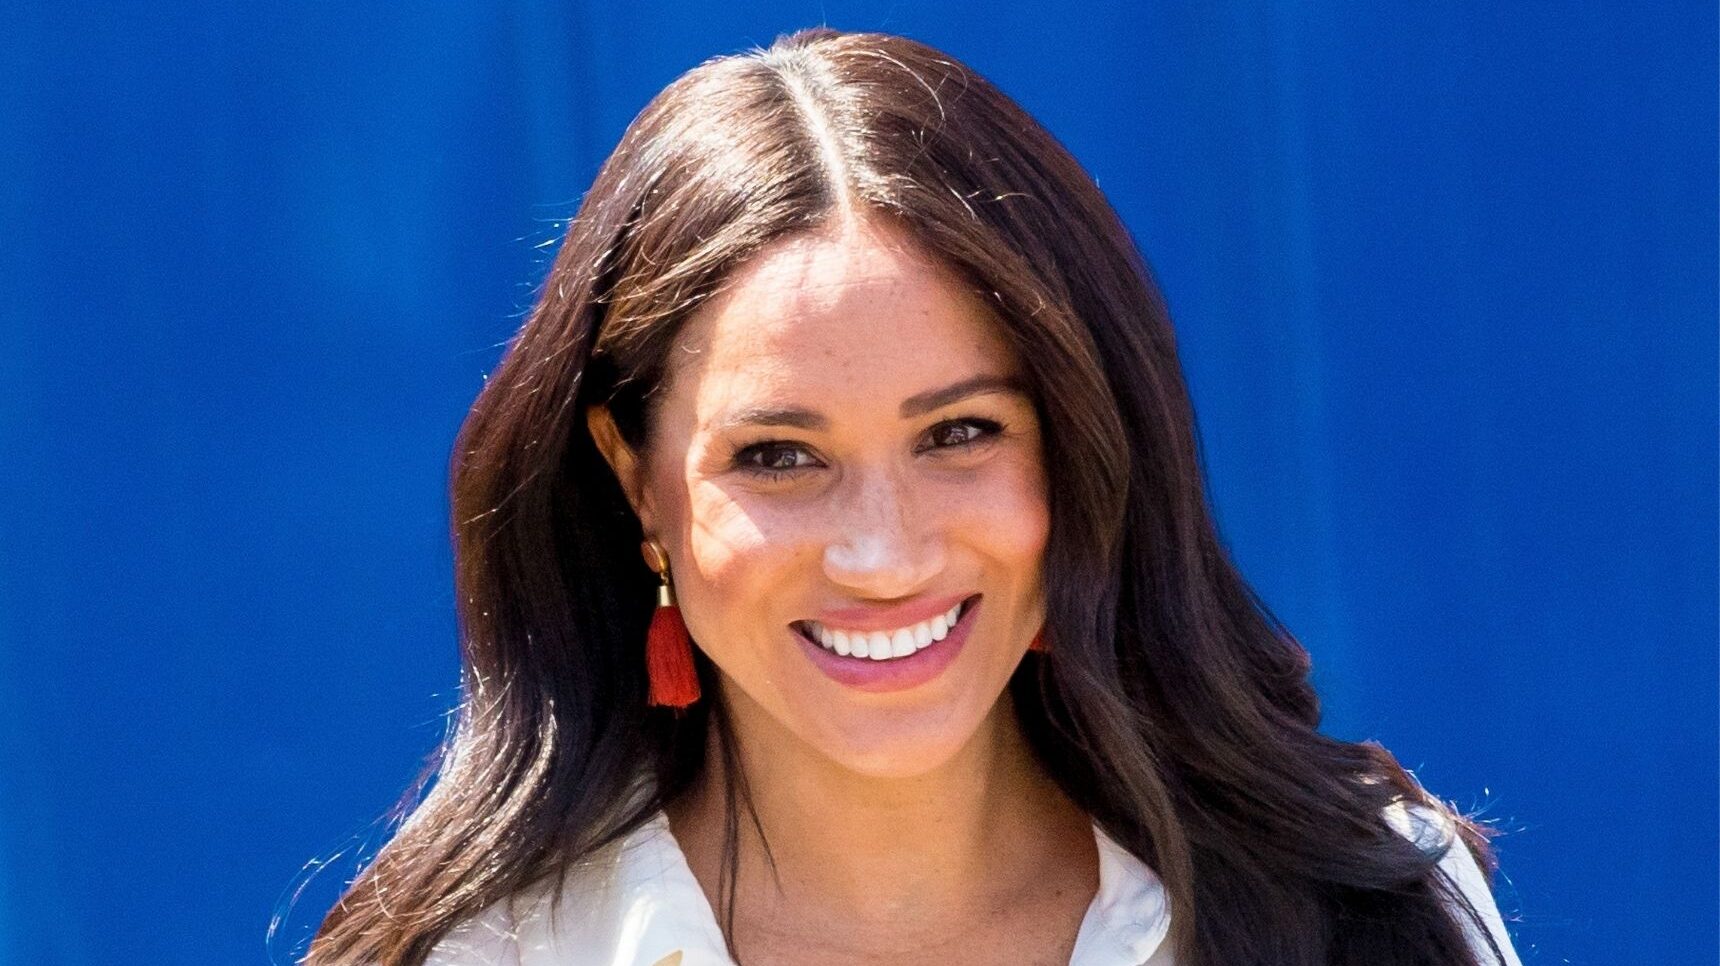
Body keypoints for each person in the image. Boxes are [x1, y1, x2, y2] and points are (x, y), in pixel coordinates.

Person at [305, 27, 1522, 966]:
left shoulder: (1370, 912)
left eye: (960, 433)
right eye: (779, 455)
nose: (881, 554)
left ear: (1082, 458)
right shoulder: (482, 953)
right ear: (637, 485)